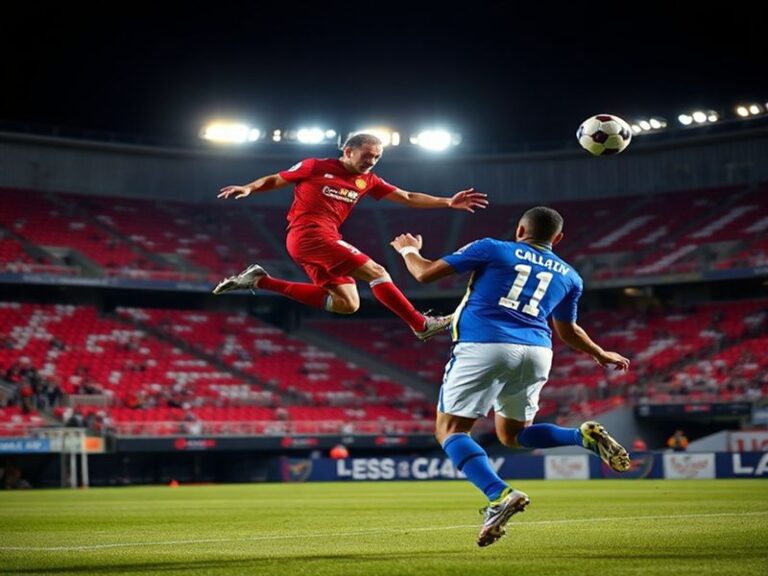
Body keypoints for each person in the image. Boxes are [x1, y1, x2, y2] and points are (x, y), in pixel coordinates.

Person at [390, 206, 631, 547]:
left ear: (520, 230)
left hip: (484, 344)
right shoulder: (570, 276)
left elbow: (425, 274)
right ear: (557, 238)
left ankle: (498, 494)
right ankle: (581, 437)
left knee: (450, 430)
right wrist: (600, 353)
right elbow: (568, 330)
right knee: (514, 434)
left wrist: (408, 250)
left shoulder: (493, 247)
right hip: (537, 353)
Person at [212, 133, 488, 340]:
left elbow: (407, 197)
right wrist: (249, 188)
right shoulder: (315, 166)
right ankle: (420, 323)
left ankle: (261, 280)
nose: (371, 162)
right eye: (367, 155)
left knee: (347, 303)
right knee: (376, 270)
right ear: (348, 151)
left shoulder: (368, 180)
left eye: (377, 157)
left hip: (321, 240)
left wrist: (448, 202)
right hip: (309, 235)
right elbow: (275, 178)